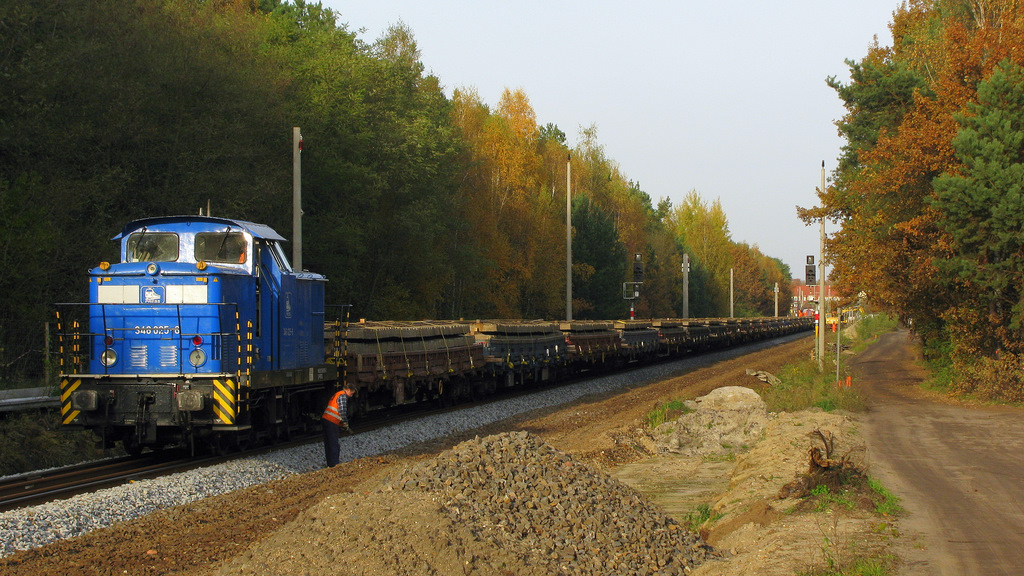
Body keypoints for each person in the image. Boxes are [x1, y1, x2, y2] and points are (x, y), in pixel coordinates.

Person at [321, 385, 355, 467]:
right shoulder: (343, 396)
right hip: (332, 421)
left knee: (328, 443)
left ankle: (330, 463)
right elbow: (342, 410)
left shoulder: (337, 394)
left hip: (326, 419)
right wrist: (345, 422)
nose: (351, 395)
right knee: (334, 443)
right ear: (347, 390)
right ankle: (334, 464)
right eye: (351, 393)